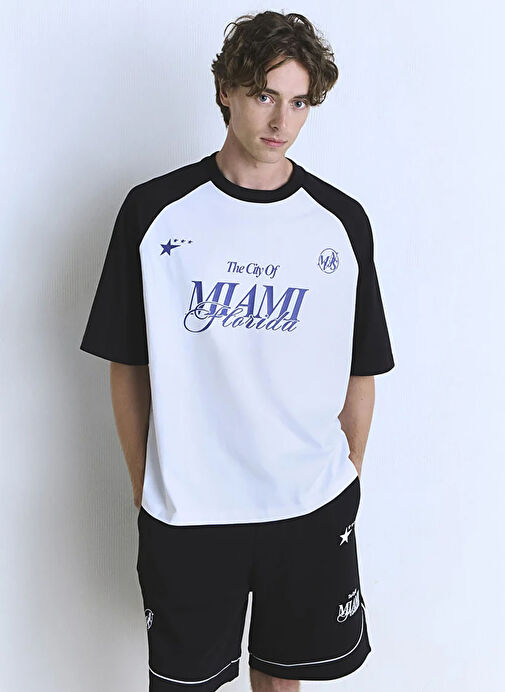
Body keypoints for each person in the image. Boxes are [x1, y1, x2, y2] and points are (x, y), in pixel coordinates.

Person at [80, 10, 395, 692]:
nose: (280, 120)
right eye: (263, 95)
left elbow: (361, 368)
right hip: (192, 508)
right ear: (226, 89)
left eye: (299, 102)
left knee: (283, 681)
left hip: (307, 507)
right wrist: (145, 485)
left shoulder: (340, 222)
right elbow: (127, 365)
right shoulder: (154, 212)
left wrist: (345, 476)